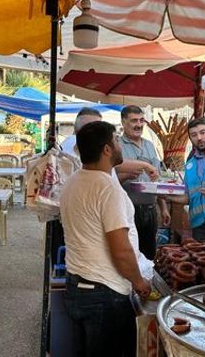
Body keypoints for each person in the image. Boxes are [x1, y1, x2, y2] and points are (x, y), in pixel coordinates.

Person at [60, 121, 151, 357]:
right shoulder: (106, 189)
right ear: (107, 149)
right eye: (117, 140)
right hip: (104, 294)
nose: (121, 144)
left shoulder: (72, 182)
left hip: (77, 286)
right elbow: (120, 250)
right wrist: (138, 282)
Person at [119, 105, 170, 260]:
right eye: (134, 121)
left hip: (150, 210)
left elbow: (157, 178)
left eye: (141, 120)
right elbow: (110, 179)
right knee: (129, 254)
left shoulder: (149, 145)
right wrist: (127, 175)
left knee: (149, 254)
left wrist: (164, 208)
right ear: (123, 122)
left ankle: (147, 283)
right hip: (126, 210)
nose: (139, 125)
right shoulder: (117, 146)